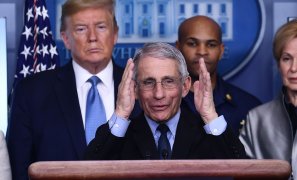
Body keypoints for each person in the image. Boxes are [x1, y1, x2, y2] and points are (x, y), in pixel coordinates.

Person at [7, 0, 140, 179]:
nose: (92, 37)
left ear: (115, 34)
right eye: (81, 29)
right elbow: (19, 169)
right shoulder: (31, 92)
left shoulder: (141, 87)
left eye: (101, 27)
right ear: (66, 39)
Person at [84, 42, 246, 160]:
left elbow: (240, 171)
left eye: (168, 81)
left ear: (185, 86)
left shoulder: (207, 134)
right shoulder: (120, 136)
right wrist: (120, 113)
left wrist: (210, 115)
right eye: (148, 82)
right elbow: (88, 173)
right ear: (135, 89)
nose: (159, 94)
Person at [239, 19, 297, 180]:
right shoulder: (257, 118)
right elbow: (243, 173)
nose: (294, 68)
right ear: (278, 64)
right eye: (286, 58)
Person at [176, 16, 261, 136]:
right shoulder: (159, 103)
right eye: (192, 43)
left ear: (221, 51)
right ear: (178, 48)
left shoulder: (249, 106)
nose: (202, 51)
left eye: (211, 45)